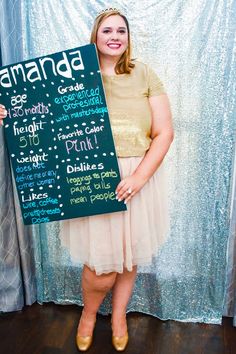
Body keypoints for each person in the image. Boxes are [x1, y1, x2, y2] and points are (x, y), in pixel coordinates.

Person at [0, 8, 174, 352]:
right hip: (93, 176)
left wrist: (139, 177)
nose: (114, 36)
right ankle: (89, 315)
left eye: (121, 31)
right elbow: (37, 117)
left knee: (129, 255)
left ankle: (120, 315)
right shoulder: (73, 79)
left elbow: (164, 132)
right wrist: (9, 111)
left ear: (128, 37)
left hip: (137, 177)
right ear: (95, 36)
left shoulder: (145, 74)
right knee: (101, 266)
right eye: (107, 30)